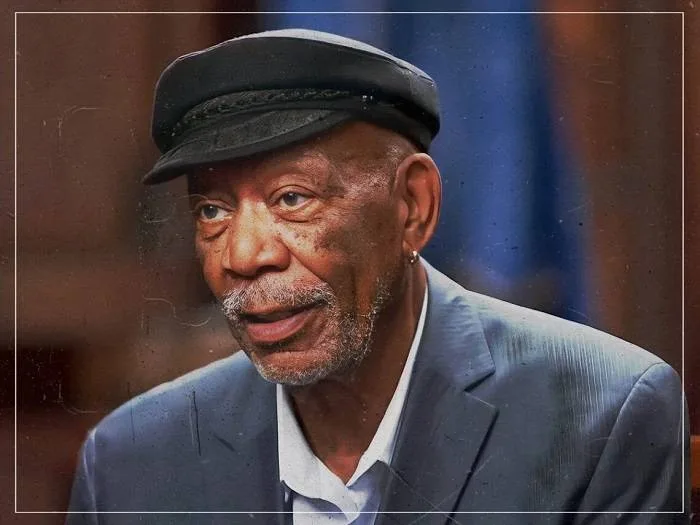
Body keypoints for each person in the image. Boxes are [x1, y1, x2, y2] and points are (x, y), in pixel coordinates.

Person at [67, 29, 688, 525]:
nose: (244, 254)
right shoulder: (130, 463)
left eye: (292, 198)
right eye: (212, 211)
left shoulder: (603, 417)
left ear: (412, 207)